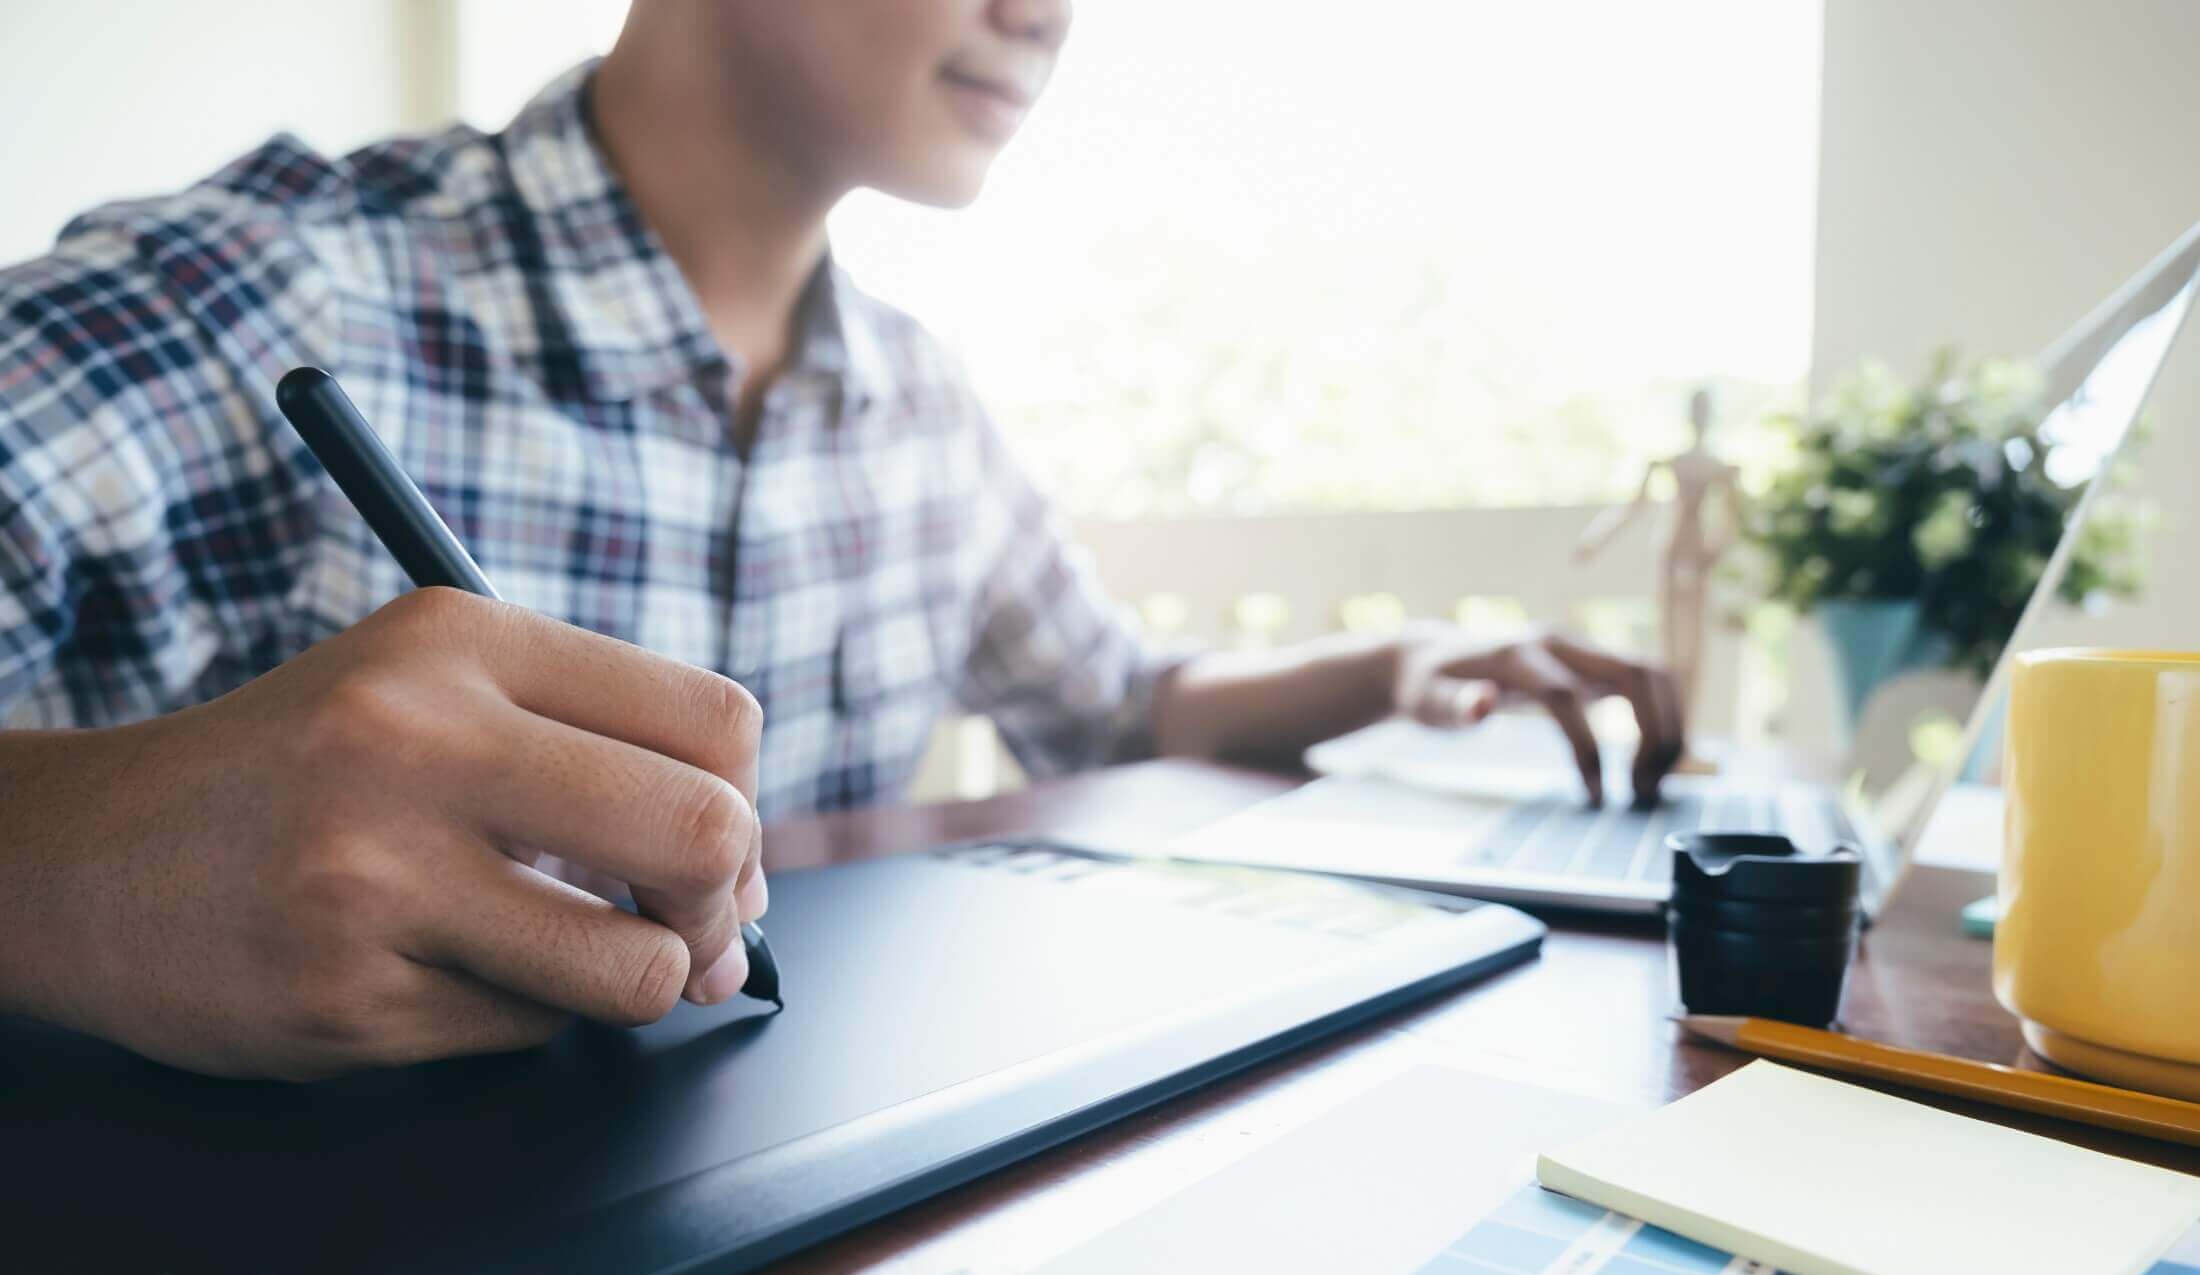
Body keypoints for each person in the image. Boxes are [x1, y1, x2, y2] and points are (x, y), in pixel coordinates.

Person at [0, 0, 1682, 1081]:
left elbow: (1120, 709)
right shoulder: (271, 290)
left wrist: (1397, 661)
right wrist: (60, 866)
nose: (1049, 14)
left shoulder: (919, 408)